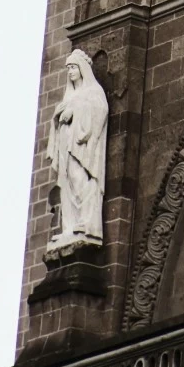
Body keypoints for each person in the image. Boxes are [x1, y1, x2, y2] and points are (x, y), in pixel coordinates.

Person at [46, 47, 109, 252]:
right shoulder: (70, 95)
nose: (70, 72)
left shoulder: (93, 91)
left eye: (73, 67)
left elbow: (100, 110)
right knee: (66, 182)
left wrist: (75, 112)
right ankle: (70, 227)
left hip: (81, 146)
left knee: (79, 177)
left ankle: (86, 222)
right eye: (68, 68)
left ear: (82, 69)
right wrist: (59, 117)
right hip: (66, 144)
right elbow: (58, 117)